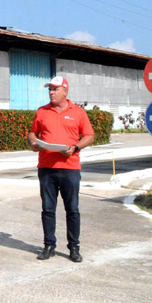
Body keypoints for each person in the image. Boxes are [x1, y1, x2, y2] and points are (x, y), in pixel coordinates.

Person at [27, 76, 95, 263]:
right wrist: (33, 142)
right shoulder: (42, 112)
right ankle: (49, 245)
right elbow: (33, 133)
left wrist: (75, 148)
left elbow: (89, 136)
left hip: (70, 168)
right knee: (48, 209)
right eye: (50, 89)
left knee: (72, 209)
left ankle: (74, 247)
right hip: (47, 168)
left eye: (55, 89)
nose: (51, 92)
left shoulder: (78, 112)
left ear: (65, 91)